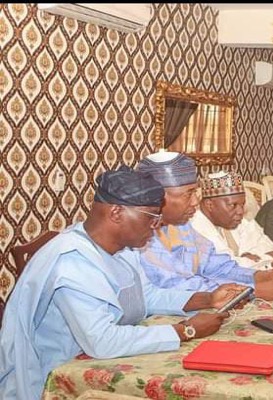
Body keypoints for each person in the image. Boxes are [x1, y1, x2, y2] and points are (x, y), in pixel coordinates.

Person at [0, 167, 249, 400]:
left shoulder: (123, 248)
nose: (157, 225)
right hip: (60, 377)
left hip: (102, 362)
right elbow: (102, 341)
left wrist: (208, 299)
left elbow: (146, 296)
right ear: (116, 213)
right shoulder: (72, 262)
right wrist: (185, 331)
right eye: (152, 217)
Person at [136, 152, 273, 299]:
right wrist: (252, 291)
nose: (195, 201)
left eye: (195, 192)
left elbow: (214, 264)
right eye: (188, 194)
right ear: (157, 196)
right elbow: (178, 285)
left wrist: (259, 276)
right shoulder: (139, 236)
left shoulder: (180, 225)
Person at [191, 171, 273, 270]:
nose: (240, 211)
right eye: (233, 205)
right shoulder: (195, 228)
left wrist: (247, 255)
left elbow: (268, 244)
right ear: (209, 205)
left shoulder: (232, 219)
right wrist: (263, 259)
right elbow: (224, 267)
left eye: (242, 204)